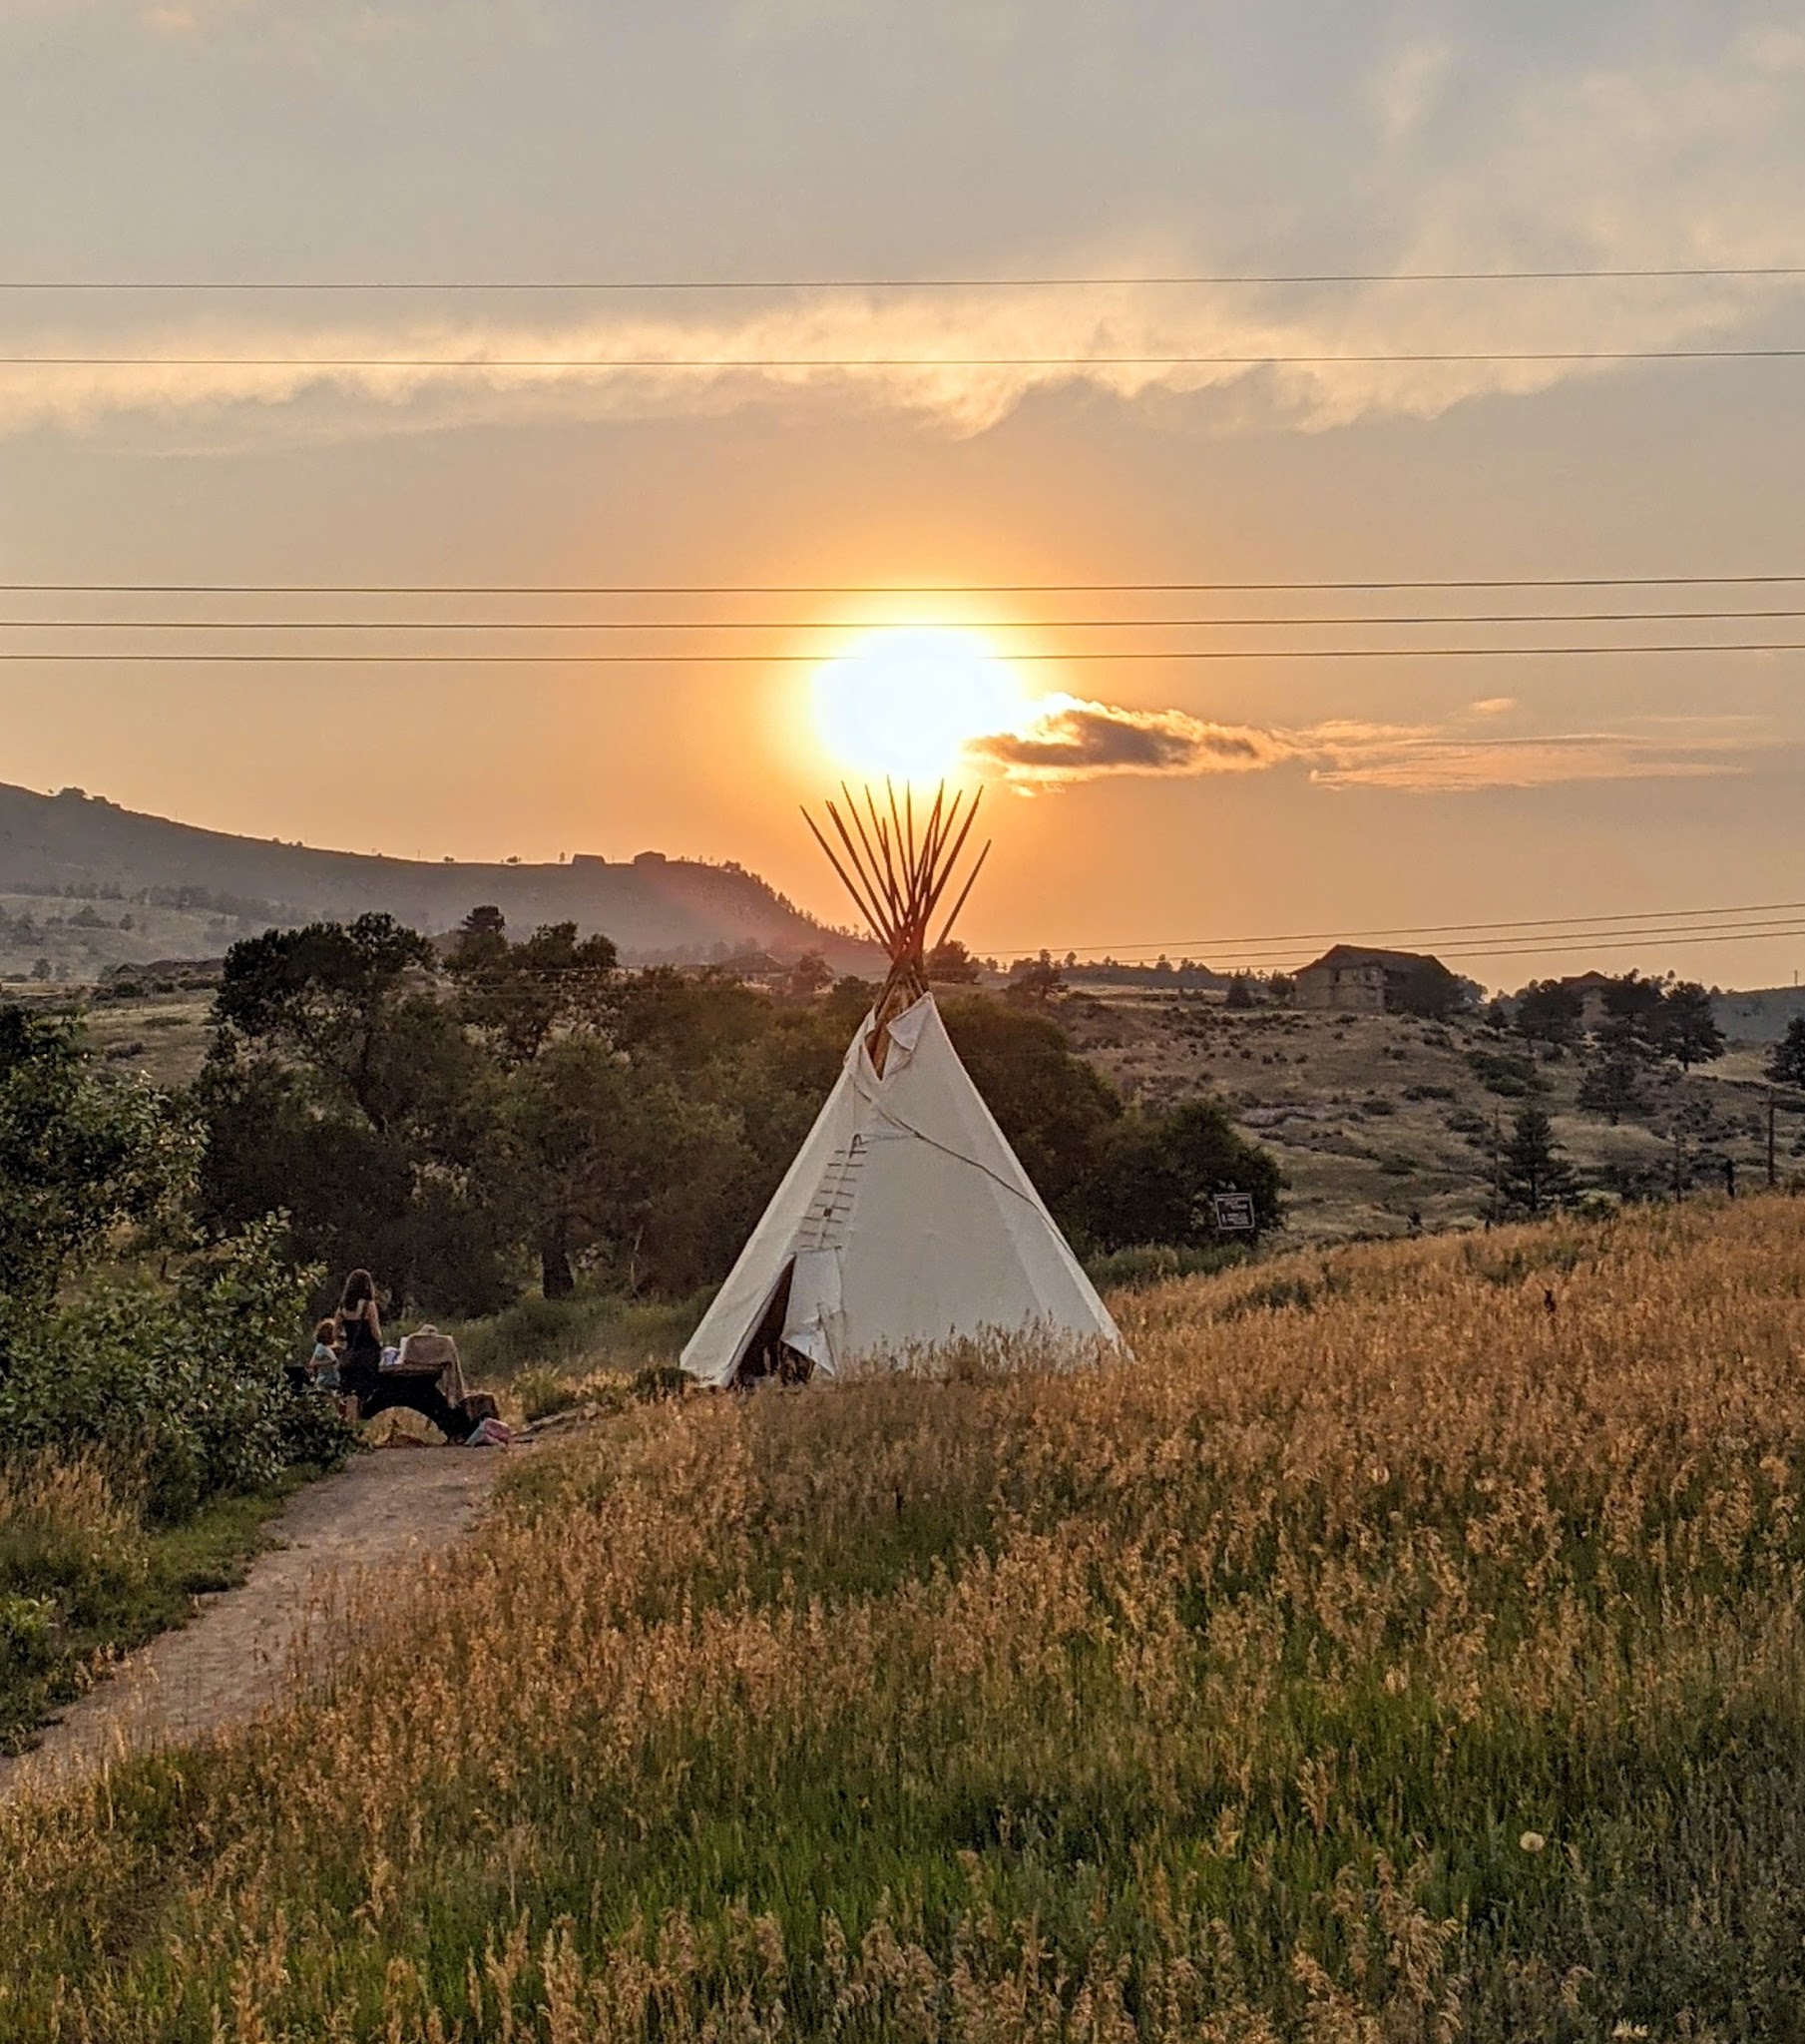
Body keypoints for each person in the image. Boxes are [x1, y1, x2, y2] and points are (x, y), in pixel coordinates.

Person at [334, 1269, 471, 1442]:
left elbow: (336, 1334)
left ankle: (350, 1435)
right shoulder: (368, 1305)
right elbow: (376, 1333)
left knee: (354, 1396)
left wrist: (347, 1340)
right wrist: (380, 1346)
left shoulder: (342, 1308)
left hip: (350, 1359)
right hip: (367, 1357)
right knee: (371, 1392)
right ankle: (456, 1427)